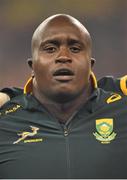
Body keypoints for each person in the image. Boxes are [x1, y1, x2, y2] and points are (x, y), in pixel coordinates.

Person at [0, 14, 127, 179]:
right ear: (32, 66)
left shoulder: (122, 112)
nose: (63, 57)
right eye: (50, 49)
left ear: (91, 65)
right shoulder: (5, 122)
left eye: (75, 48)